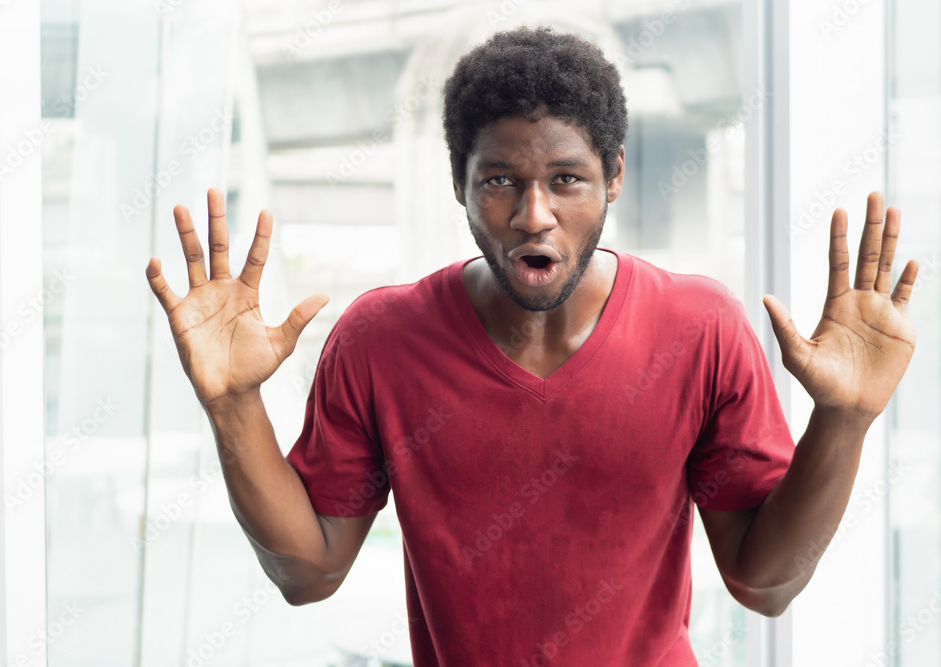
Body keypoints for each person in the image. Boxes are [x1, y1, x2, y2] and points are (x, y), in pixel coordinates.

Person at [145, 26, 918, 667]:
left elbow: (764, 583)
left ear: (614, 176)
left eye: (567, 179)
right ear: (460, 182)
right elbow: (309, 571)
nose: (533, 214)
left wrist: (843, 420)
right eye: (501, 181)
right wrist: (232, 403)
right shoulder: (380, 341)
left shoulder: (699, 329)